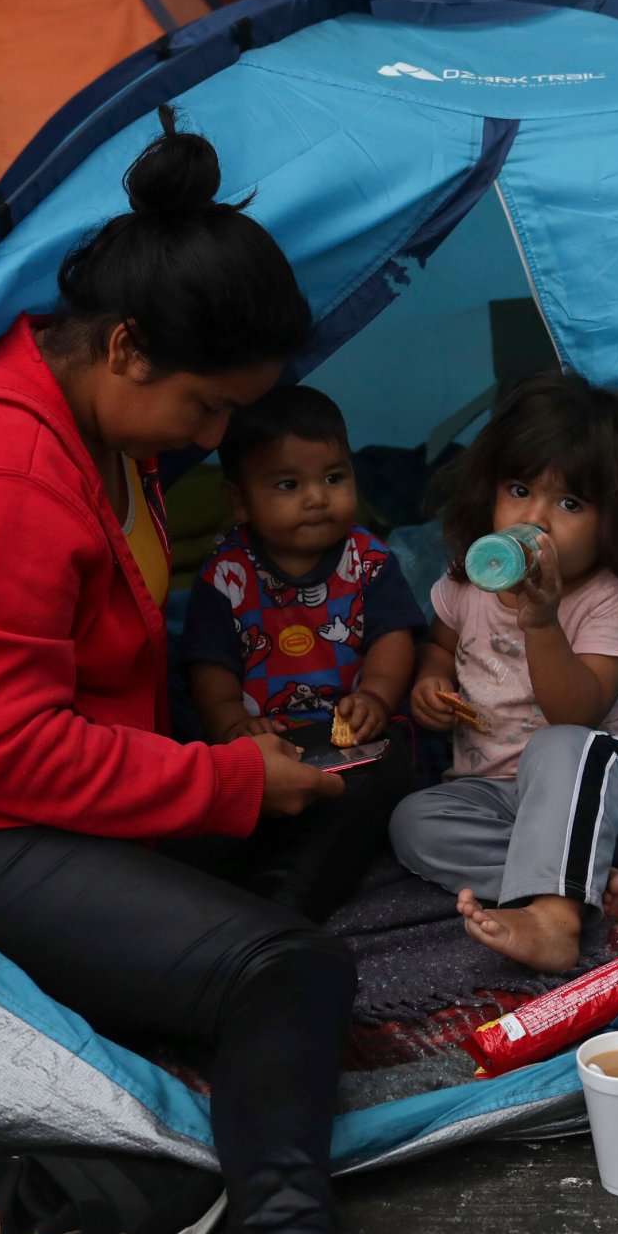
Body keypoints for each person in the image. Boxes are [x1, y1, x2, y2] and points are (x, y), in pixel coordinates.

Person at [0, 108, 498, 1234]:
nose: (213, 439)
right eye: (205, 410)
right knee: (292, 965)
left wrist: (245, 769)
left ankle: (202, 1017)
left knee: (364, 775)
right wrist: (228, 781)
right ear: (126, 348)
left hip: (45, 797)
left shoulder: (81, 419)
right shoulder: (0, 470)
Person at [391, 370, 618, 974]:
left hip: (611, 783)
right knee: (413, 823)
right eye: (518, 490)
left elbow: (577, 712)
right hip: (496, 793)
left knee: (558, 745)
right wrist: (430, 682)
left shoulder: (612, 598)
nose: (533, 520)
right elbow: (439, 645)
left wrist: (542, 622)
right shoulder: (465, 581)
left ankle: (556, 922)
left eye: (569, 504)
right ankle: (583, 880)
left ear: (617, 521)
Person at [177, 385, 421, 920]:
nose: (316, 497)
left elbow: (393, 637)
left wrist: (377, 698)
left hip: (351, 738)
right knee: (209, 796)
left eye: (334, 478)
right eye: (288, 484)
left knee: (384, 771)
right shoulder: (225, 576)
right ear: (239, 500)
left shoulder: (370, 561)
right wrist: (229, 728)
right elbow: (210, 667)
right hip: (264, 743)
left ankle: (286, 906)